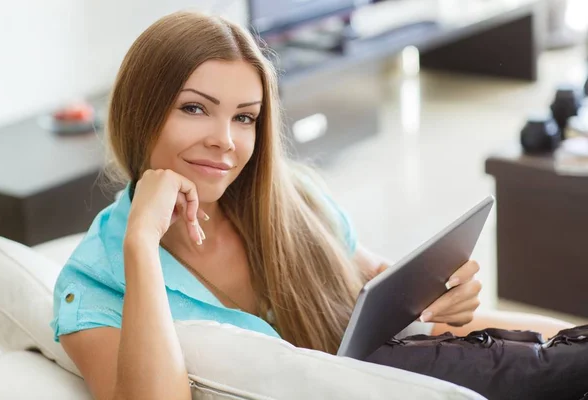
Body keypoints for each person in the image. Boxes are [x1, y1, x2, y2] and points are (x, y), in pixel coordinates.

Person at [50, 11, 573, 400]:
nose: (225, 141)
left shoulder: (293, 200)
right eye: (195, 108)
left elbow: (384, 301)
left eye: (245, 118)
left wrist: (445, 303)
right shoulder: (93, 285)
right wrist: (140, 244)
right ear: (138, 113)